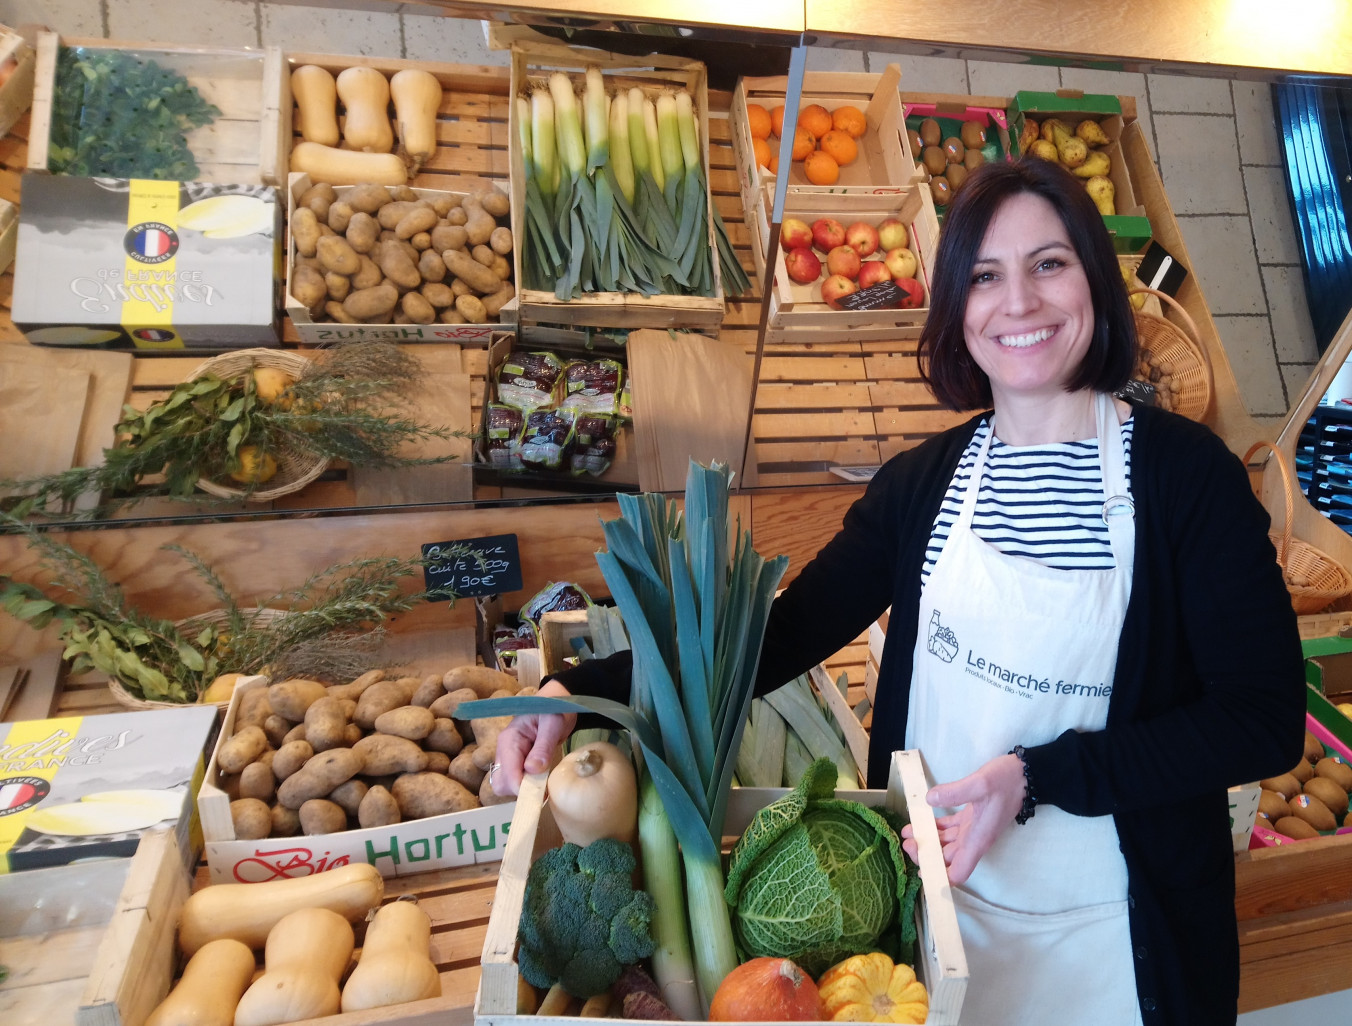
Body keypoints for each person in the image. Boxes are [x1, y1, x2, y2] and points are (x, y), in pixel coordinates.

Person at [492, 158, 1306, 1026]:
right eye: (986, 276)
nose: (1019, 302)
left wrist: (1036, 776)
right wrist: (578, 694)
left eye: (1050, 263)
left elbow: (1260, 720)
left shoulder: (1190, 482)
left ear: (1097, 286)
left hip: (1122, 937)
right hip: (929, 926)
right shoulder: (925, 484)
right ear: (957, 309)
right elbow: (784, 634)